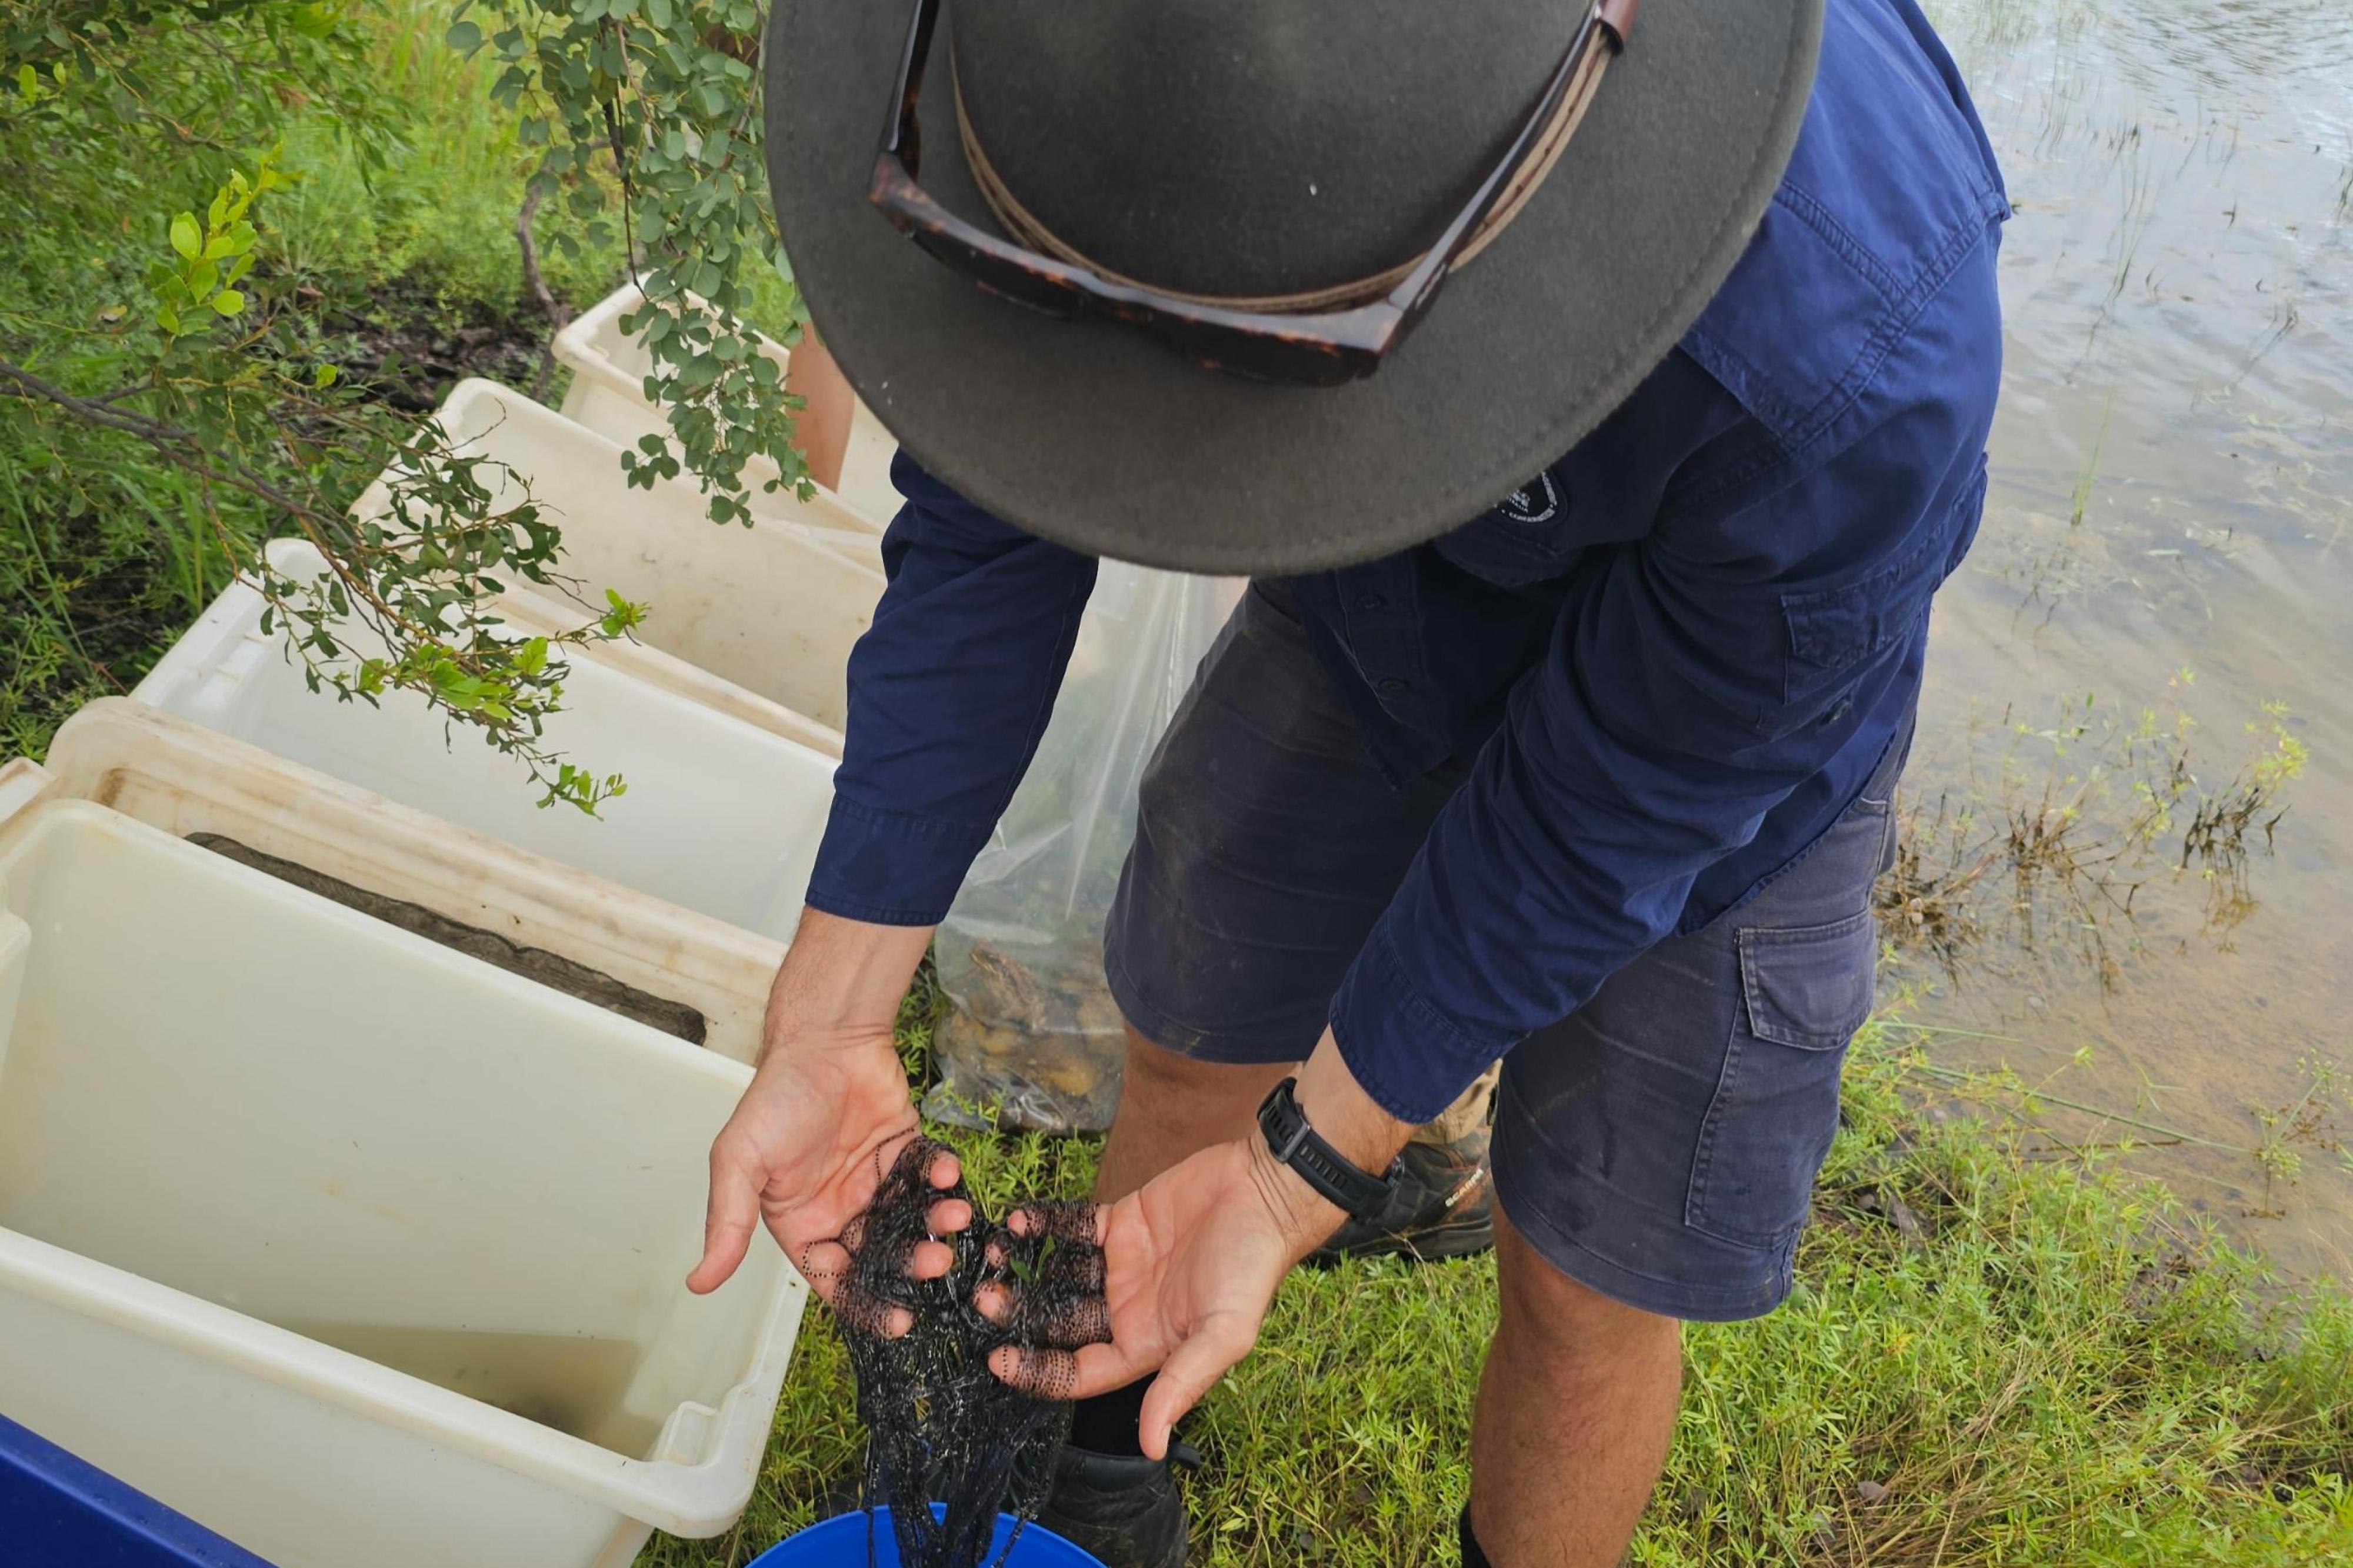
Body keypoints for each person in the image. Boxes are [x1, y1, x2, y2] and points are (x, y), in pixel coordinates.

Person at [686, 1, 2009, 1563]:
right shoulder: (1048, 68)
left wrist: (1304, 1167)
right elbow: (996, 494)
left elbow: (1609, 815)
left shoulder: (1846, 341)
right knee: (1191, 1013)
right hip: (1374, 603)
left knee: (1587, 1268)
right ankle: (1106, 1472)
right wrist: (836, 1007)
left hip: (1710, 751)